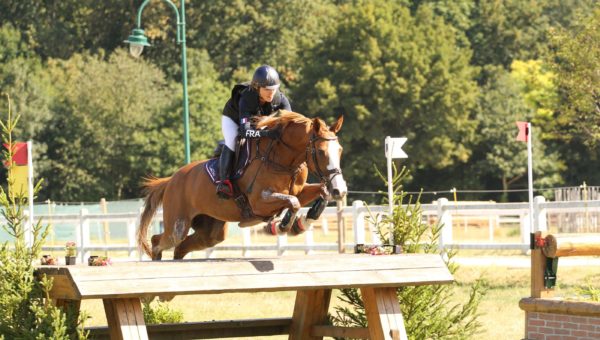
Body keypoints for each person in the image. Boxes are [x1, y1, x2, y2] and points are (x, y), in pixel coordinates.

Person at [216, 65, 291, 199]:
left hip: (258, 121)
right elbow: (245, 132)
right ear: (257, 88)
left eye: (274, 89)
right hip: (233, 119)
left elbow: (290, 122)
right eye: (267, 89)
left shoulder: (280, 99)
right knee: (233, 140)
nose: (271, 93)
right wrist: (266, 134)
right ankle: (224, 182)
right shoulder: (246, 99)